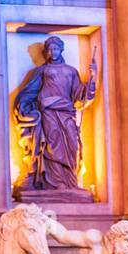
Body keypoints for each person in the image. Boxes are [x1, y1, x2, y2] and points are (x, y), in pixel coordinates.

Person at [13, 36, 96, 193]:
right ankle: (55, 183)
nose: (53, 52)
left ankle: (70, 182)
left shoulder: (71, 71)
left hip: (67, 114)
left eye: (56, 49)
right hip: (49, 113)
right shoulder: (42, 71)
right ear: (46, 52)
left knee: (72, 145)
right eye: (50, 49)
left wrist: (93, 78)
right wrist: (25, 107)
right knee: (53, 145)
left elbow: (80, 96)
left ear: (61, 49)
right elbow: (30, 92)